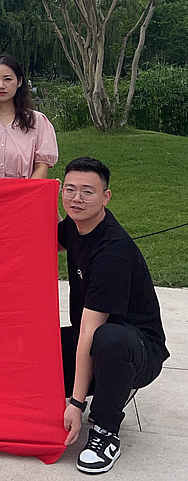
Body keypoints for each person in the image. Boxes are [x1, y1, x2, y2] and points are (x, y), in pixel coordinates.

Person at [59, 157, 168, 474]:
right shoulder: (74, 225)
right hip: (99, 338)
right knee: (37, 346)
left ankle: (105, 430)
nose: (77, 198)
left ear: (106, 197)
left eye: (87, 191)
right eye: (70, 189)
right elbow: (43, 237)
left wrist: (77, 404)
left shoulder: (112, 251)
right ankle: (109, 386)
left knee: (107, 340)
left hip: (136, 349)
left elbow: (90, 333)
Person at [0, 54, 58, 178]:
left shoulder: (37, 121)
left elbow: (41, 167)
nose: (1, 86)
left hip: (25, 189)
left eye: (7, 79)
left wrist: (27, 189)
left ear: (19, 81)